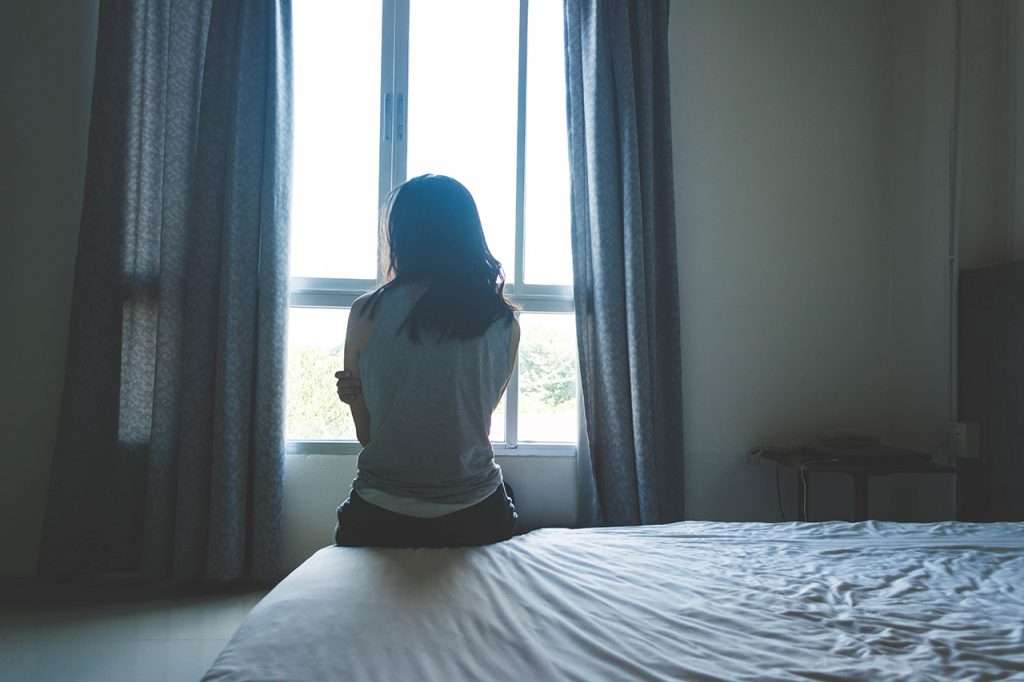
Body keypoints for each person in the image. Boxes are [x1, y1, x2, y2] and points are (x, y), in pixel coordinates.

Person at [333, 174, 520, 548]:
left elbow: (368, 437)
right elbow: (471, 424)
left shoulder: (365, 313)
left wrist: (355, 396)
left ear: (400, 235)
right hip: (474, 515)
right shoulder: (503, 321)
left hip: (380, 516)